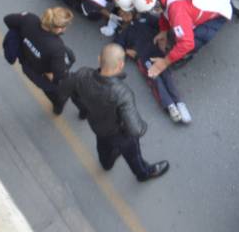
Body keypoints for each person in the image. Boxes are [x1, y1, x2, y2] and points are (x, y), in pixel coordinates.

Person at [56, 44, 169, 182]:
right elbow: (136, 130)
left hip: (98, 128)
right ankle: (143, 174)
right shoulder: (122, 92)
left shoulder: (82, 74)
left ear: (99, 59)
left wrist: (82, 109)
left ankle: (107, 164)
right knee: (133, 156)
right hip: (120, 134)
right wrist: (143, 125)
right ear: (121, 65)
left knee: (103, 150)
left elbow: (63, 90)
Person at [137, 0, 239, 80]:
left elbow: (187, 43)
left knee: (195, 38)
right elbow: (165, 8)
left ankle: (186, 56)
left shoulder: (177, 11)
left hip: (214, 10)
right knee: (180, 26)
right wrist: (163, 31)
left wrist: (164, 62)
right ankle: (229, 4)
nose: (154, 12)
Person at [2, 6, 87, 117]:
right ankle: (65, 106)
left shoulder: (28, 19)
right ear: (58, 29)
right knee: (65, 88)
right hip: (44, 74)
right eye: (65, 26)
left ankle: (57, 106)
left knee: (49, 91)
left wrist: (25, 41)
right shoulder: (56, 47)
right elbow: (59, 76)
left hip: (29, 68)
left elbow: (7, 20)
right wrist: (51, 74)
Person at [116, 8, 191, 124]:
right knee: (155, 79)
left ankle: (180, 103)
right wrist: (127, 52)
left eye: (126, 11)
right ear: (120, 18)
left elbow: (161, 25)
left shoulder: (145, 17)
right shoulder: (123, 32)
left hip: (157, 52)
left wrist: (163, 36)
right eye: (122, 14)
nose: (126, 14)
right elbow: (116, 48)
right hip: (143, 57)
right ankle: (170, 106)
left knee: (167, 76)